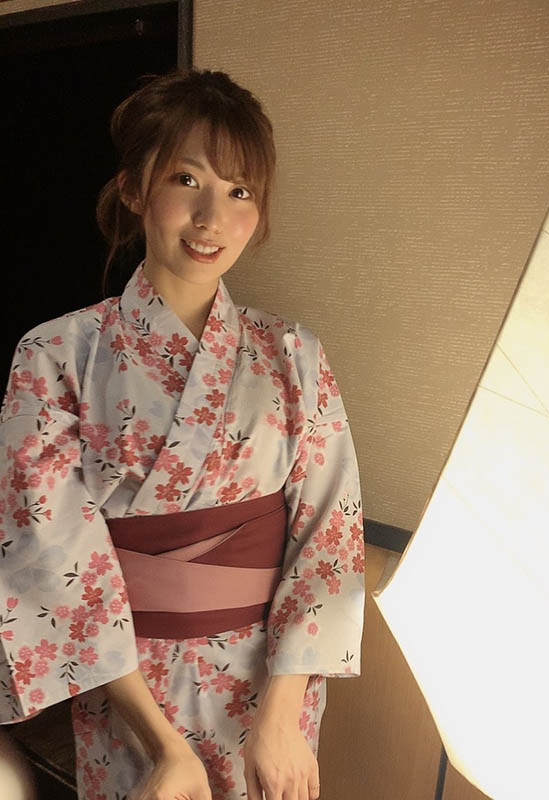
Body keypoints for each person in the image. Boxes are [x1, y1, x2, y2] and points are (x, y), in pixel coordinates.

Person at [0, 68, 365, 800]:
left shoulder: (293, 354)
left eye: (240, 192)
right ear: (134, 189)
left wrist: (280, 717)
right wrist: (163, 746)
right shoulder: (56, 354)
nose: (211, 218)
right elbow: (53, 549)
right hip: (130, 695)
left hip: (272, 690)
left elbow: (330, 535)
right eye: (186, 179)